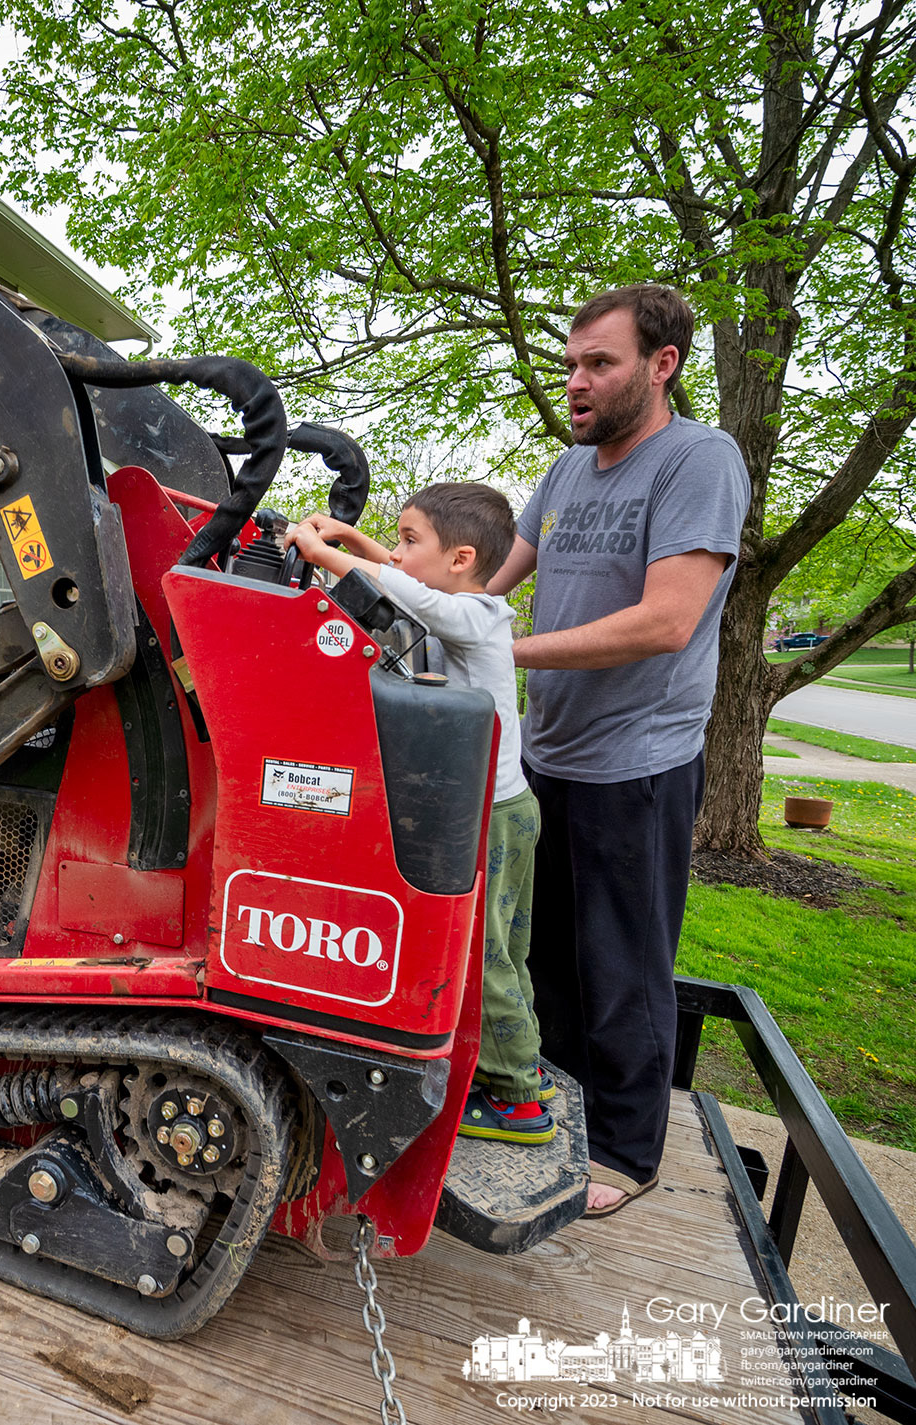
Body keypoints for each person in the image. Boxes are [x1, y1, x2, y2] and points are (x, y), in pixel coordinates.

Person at [485, 284, 750, 1217]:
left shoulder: (698, 461)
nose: (576, 382)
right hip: (548, 755)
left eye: (599, 363)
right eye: (570, 365)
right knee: (543, 956)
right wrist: (369, 559)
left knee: (623, 965)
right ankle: (556, 1115)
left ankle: (630, 1153)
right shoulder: (565, 474)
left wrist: (502, 649)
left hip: (637, 764)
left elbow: (668, 620)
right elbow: (488, 580)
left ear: (660, 363)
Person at [284, 484, 552, 1144]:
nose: (397, 552)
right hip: (516, 806)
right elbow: (408, 583)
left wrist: (323, 550)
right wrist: (353, 542)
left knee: (485, 956)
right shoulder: (484, 607)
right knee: (509, 951)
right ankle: (523, 1066)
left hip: (488, 817)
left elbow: (412, 594)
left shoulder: (467, 613)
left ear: (460, 557)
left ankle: (517, 1100)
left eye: (410, 539)